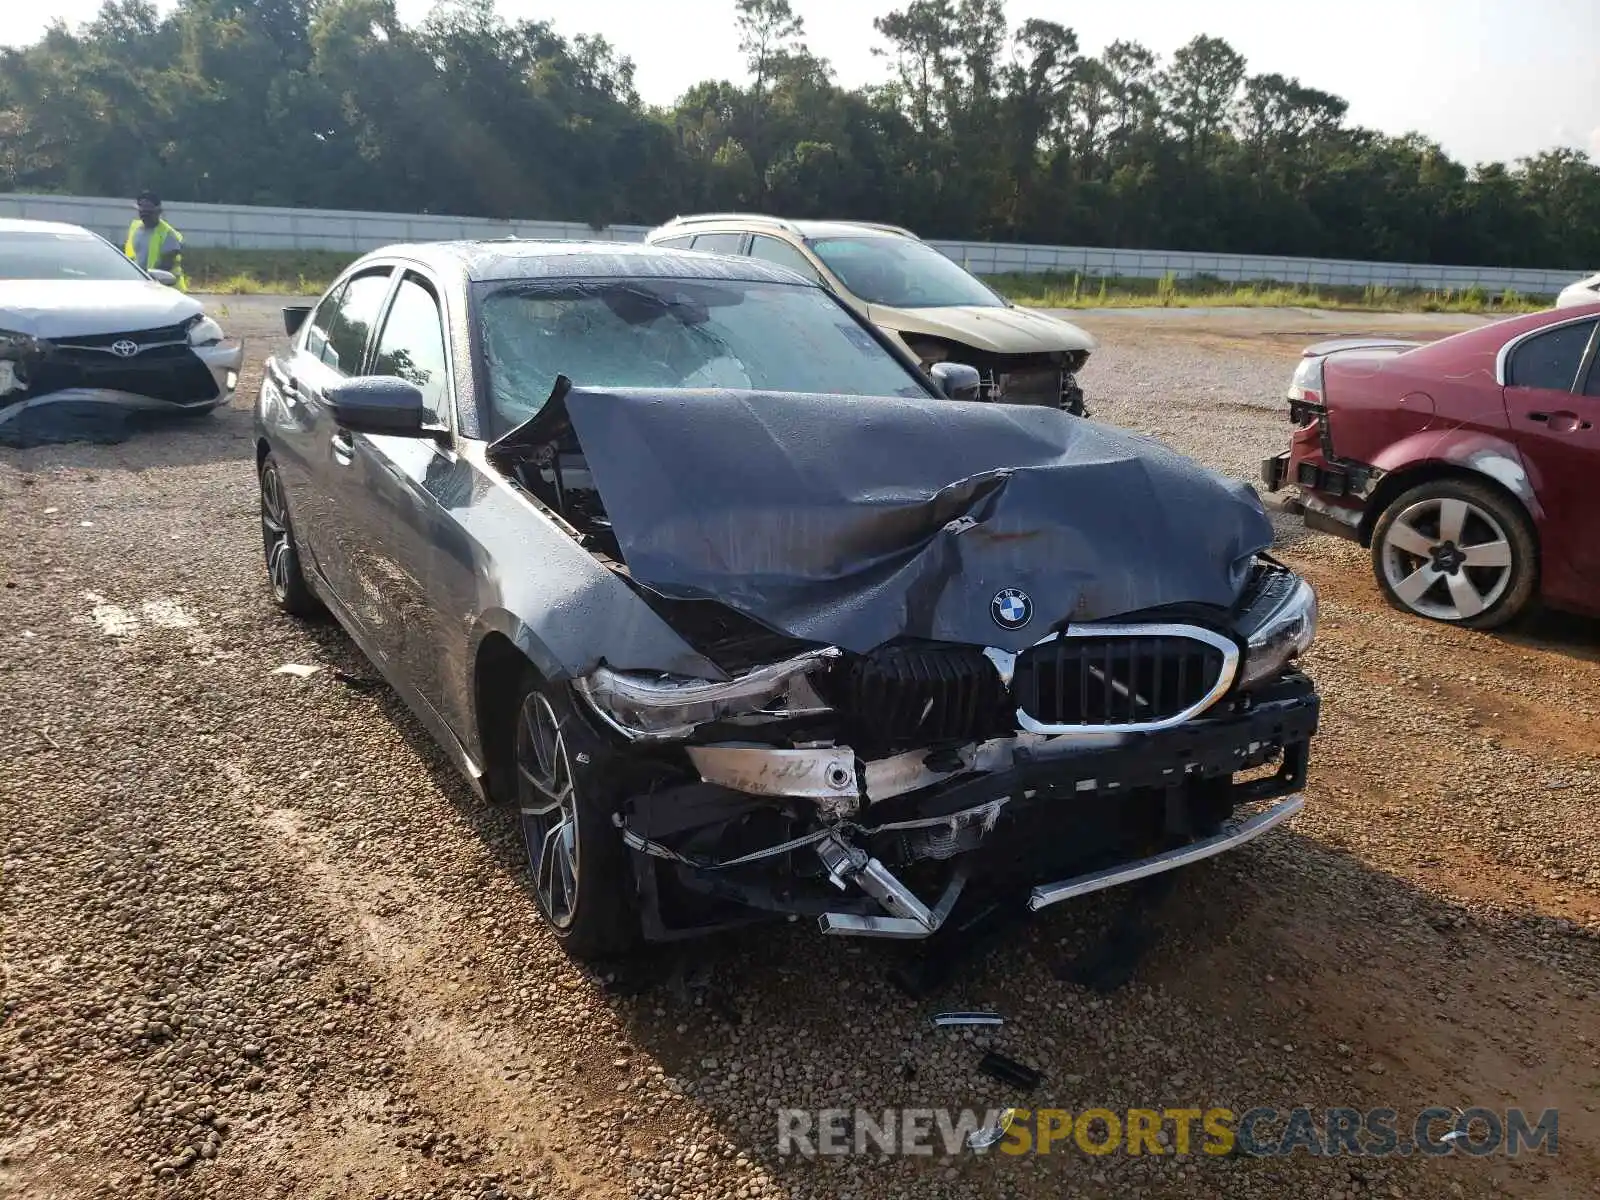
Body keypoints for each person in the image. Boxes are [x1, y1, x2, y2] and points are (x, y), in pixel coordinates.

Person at [123, 192, 185, 281]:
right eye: (142, 212)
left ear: (159, 211)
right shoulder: (135, 228)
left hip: (165, 287)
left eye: (149, 212)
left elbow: (166, 267)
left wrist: (147, 278)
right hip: (142, 282)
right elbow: (131, 257)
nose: (145, 216)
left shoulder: (168, 234)